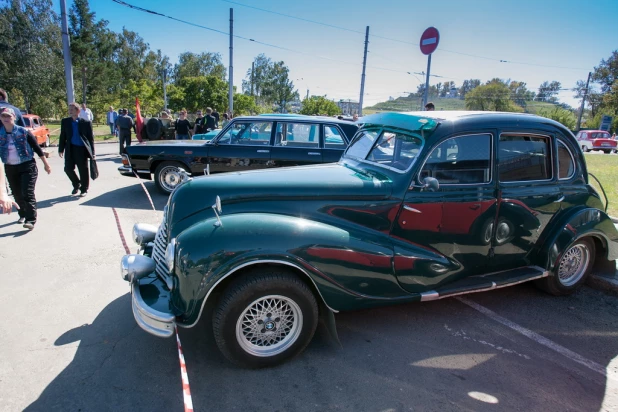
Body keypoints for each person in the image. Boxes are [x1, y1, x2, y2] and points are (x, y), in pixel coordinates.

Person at [0, 107, 52, 229]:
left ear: (14, 118)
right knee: (17, 193)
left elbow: (37, 148)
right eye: (3, 116)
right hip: (10, 167)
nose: (6, 119)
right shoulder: (0, 133)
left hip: (27, 165)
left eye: (9, 116)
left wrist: (46, 164)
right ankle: (22, 214)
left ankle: (30, 219)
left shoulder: (23, 131)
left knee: (27, 193)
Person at [58, 102, 95, 197]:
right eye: (69, 109)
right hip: (70, 148)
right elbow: (63, 136)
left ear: (78, 111)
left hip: (81, 149)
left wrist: (93, 153)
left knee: (83, 170)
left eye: (72, 109)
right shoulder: (65, 121)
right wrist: (61, 149)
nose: (70, 111)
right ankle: (76, 183)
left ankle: (84, 189)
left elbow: (90, 139)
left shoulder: (86, 123)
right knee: (68, 169)